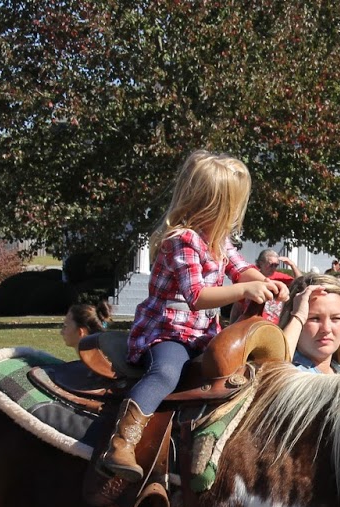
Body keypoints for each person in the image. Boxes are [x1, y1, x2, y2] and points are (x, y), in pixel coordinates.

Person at [100, 150, 286, 481]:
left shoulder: (219, 240)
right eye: (230, 208)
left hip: (200, 335)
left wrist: (268, 284)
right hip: (167, 333)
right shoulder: (182, 241)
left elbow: (241, 269)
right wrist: (244, 292)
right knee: (167, 374)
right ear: (210, 204)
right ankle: (122, 441)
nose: (233, 216)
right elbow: (197, 296)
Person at [282, 271, 340, 374]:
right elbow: (274, 368)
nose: (326, 329)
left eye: (335, 318)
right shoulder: (290, 374)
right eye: (314, 318)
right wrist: (298, 315)